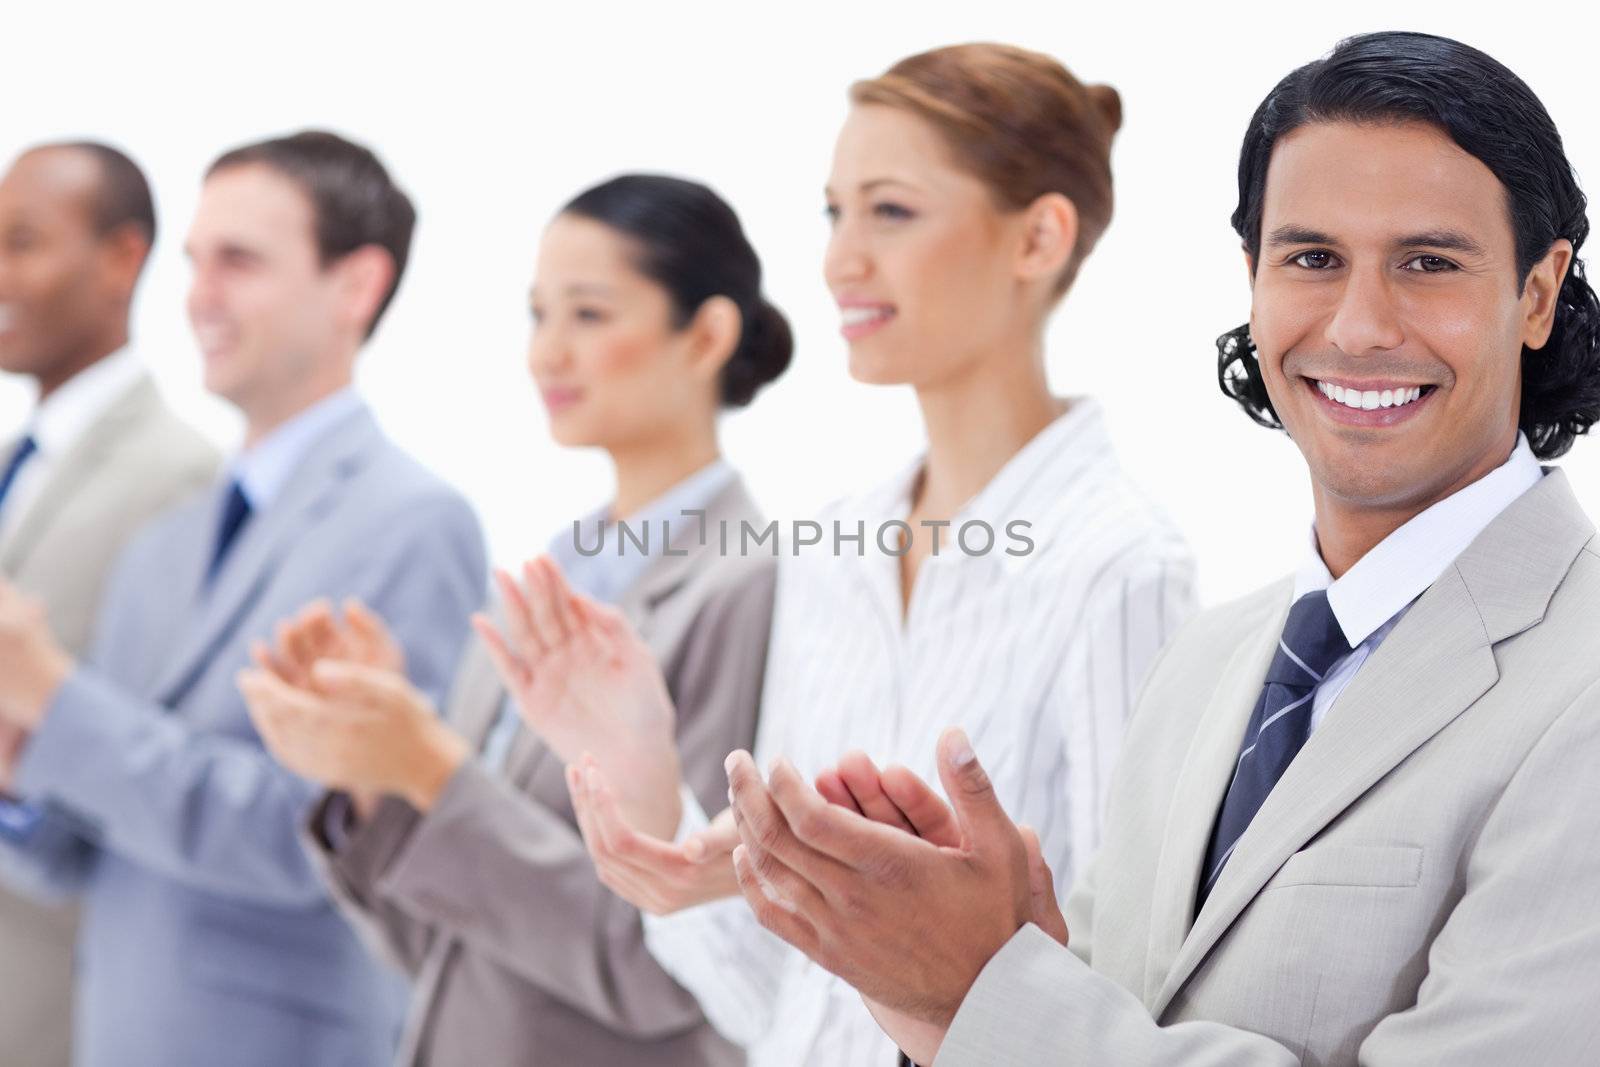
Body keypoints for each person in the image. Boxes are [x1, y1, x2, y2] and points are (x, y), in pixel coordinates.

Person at [713, 30, 1600, 1067]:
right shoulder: (1212, 660)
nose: (1358, 326)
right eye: (1311, 258)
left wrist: (981, 985)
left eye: (1428, 263)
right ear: (1252, 278)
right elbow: (1080, 1018)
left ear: (1537, 292)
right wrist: (944, 972)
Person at [521, 43, 1196, 1066]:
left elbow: (1120, 1006)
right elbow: (785, 1005)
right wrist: (654, 786)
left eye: (890, 211)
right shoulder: (830, 551)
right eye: (834, 213)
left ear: (1039, 237)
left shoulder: (1119, 567)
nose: (840, 260)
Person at [237, 173, 788, 1065]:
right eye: (538, 315)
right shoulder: (545, 577)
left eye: (588, 314)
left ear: (709, 334)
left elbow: (675, 967)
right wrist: (380, 771)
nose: (546, 354)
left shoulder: (749, 587)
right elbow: (439, 945)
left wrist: (431, 767)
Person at [0, 130, 486, 1067]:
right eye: (194, 261)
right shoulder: (165, 541)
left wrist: (56, 698)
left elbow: (312, 837)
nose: (197, 296)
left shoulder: (416, 522)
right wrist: (20, 759)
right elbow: (78, 853)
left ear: (357, 285)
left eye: (240, 261)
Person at [0, 141, 217, 1067]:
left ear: (122, 257)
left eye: (21, 242)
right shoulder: (24, 459)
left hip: (55, 992)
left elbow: (151, 762)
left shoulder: (182, 480)